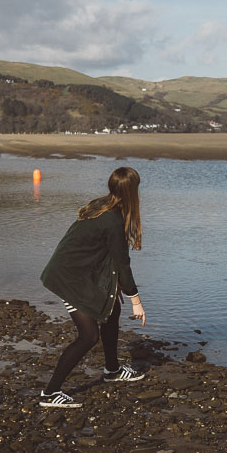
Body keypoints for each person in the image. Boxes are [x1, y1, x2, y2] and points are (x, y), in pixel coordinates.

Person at [38, 166, 147, 408]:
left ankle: (112, 370)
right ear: (132, 192)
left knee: (111, 311)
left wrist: (112, 285)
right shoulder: (111, 220)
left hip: (79, 272)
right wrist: (135, 300)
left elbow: (99, 252)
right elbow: (122, 262)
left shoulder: (102, 205)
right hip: (68, 277)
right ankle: (50, 393)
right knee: (88, 336)